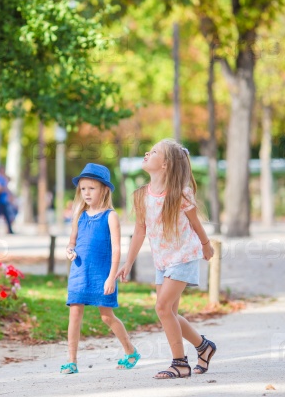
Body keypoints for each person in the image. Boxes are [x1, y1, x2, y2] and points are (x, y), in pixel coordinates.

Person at [116, 139, 217, 379]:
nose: (146, 153)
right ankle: (204, 346)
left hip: (184, 256)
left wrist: (206, 244)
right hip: (162, 260)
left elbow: (195, 223)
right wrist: (128, 262)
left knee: (162, 308)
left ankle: (180, 363)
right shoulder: (141, 195)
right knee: (169, 311)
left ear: (165, 164)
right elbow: (140, 231)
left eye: (153, 152)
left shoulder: (181, 194)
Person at [61, 163, 140, 375]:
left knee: (106, 317)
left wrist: (111, 277)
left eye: (91, 188)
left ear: (104, 189)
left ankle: (130, 351)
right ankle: (72, 361)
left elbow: (116, 250)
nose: (86, 192)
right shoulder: (79, 215)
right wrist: (69, 251)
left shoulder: (111, 216)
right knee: (74, 314)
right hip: (79, 272)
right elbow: (72, 242)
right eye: (83, 188)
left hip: (102, 274)